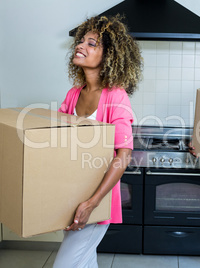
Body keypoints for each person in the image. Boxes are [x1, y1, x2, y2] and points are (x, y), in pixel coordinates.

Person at [53, 15, 142, 268]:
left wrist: (92, 203)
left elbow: (122, 156)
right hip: (71, 196)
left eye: (92, 44)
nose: (81, 45)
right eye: (81, 41)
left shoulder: (116, 96)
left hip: (96, 203)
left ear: (109, 56)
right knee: (84, 261)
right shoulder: (73, 94)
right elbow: (57, 140)